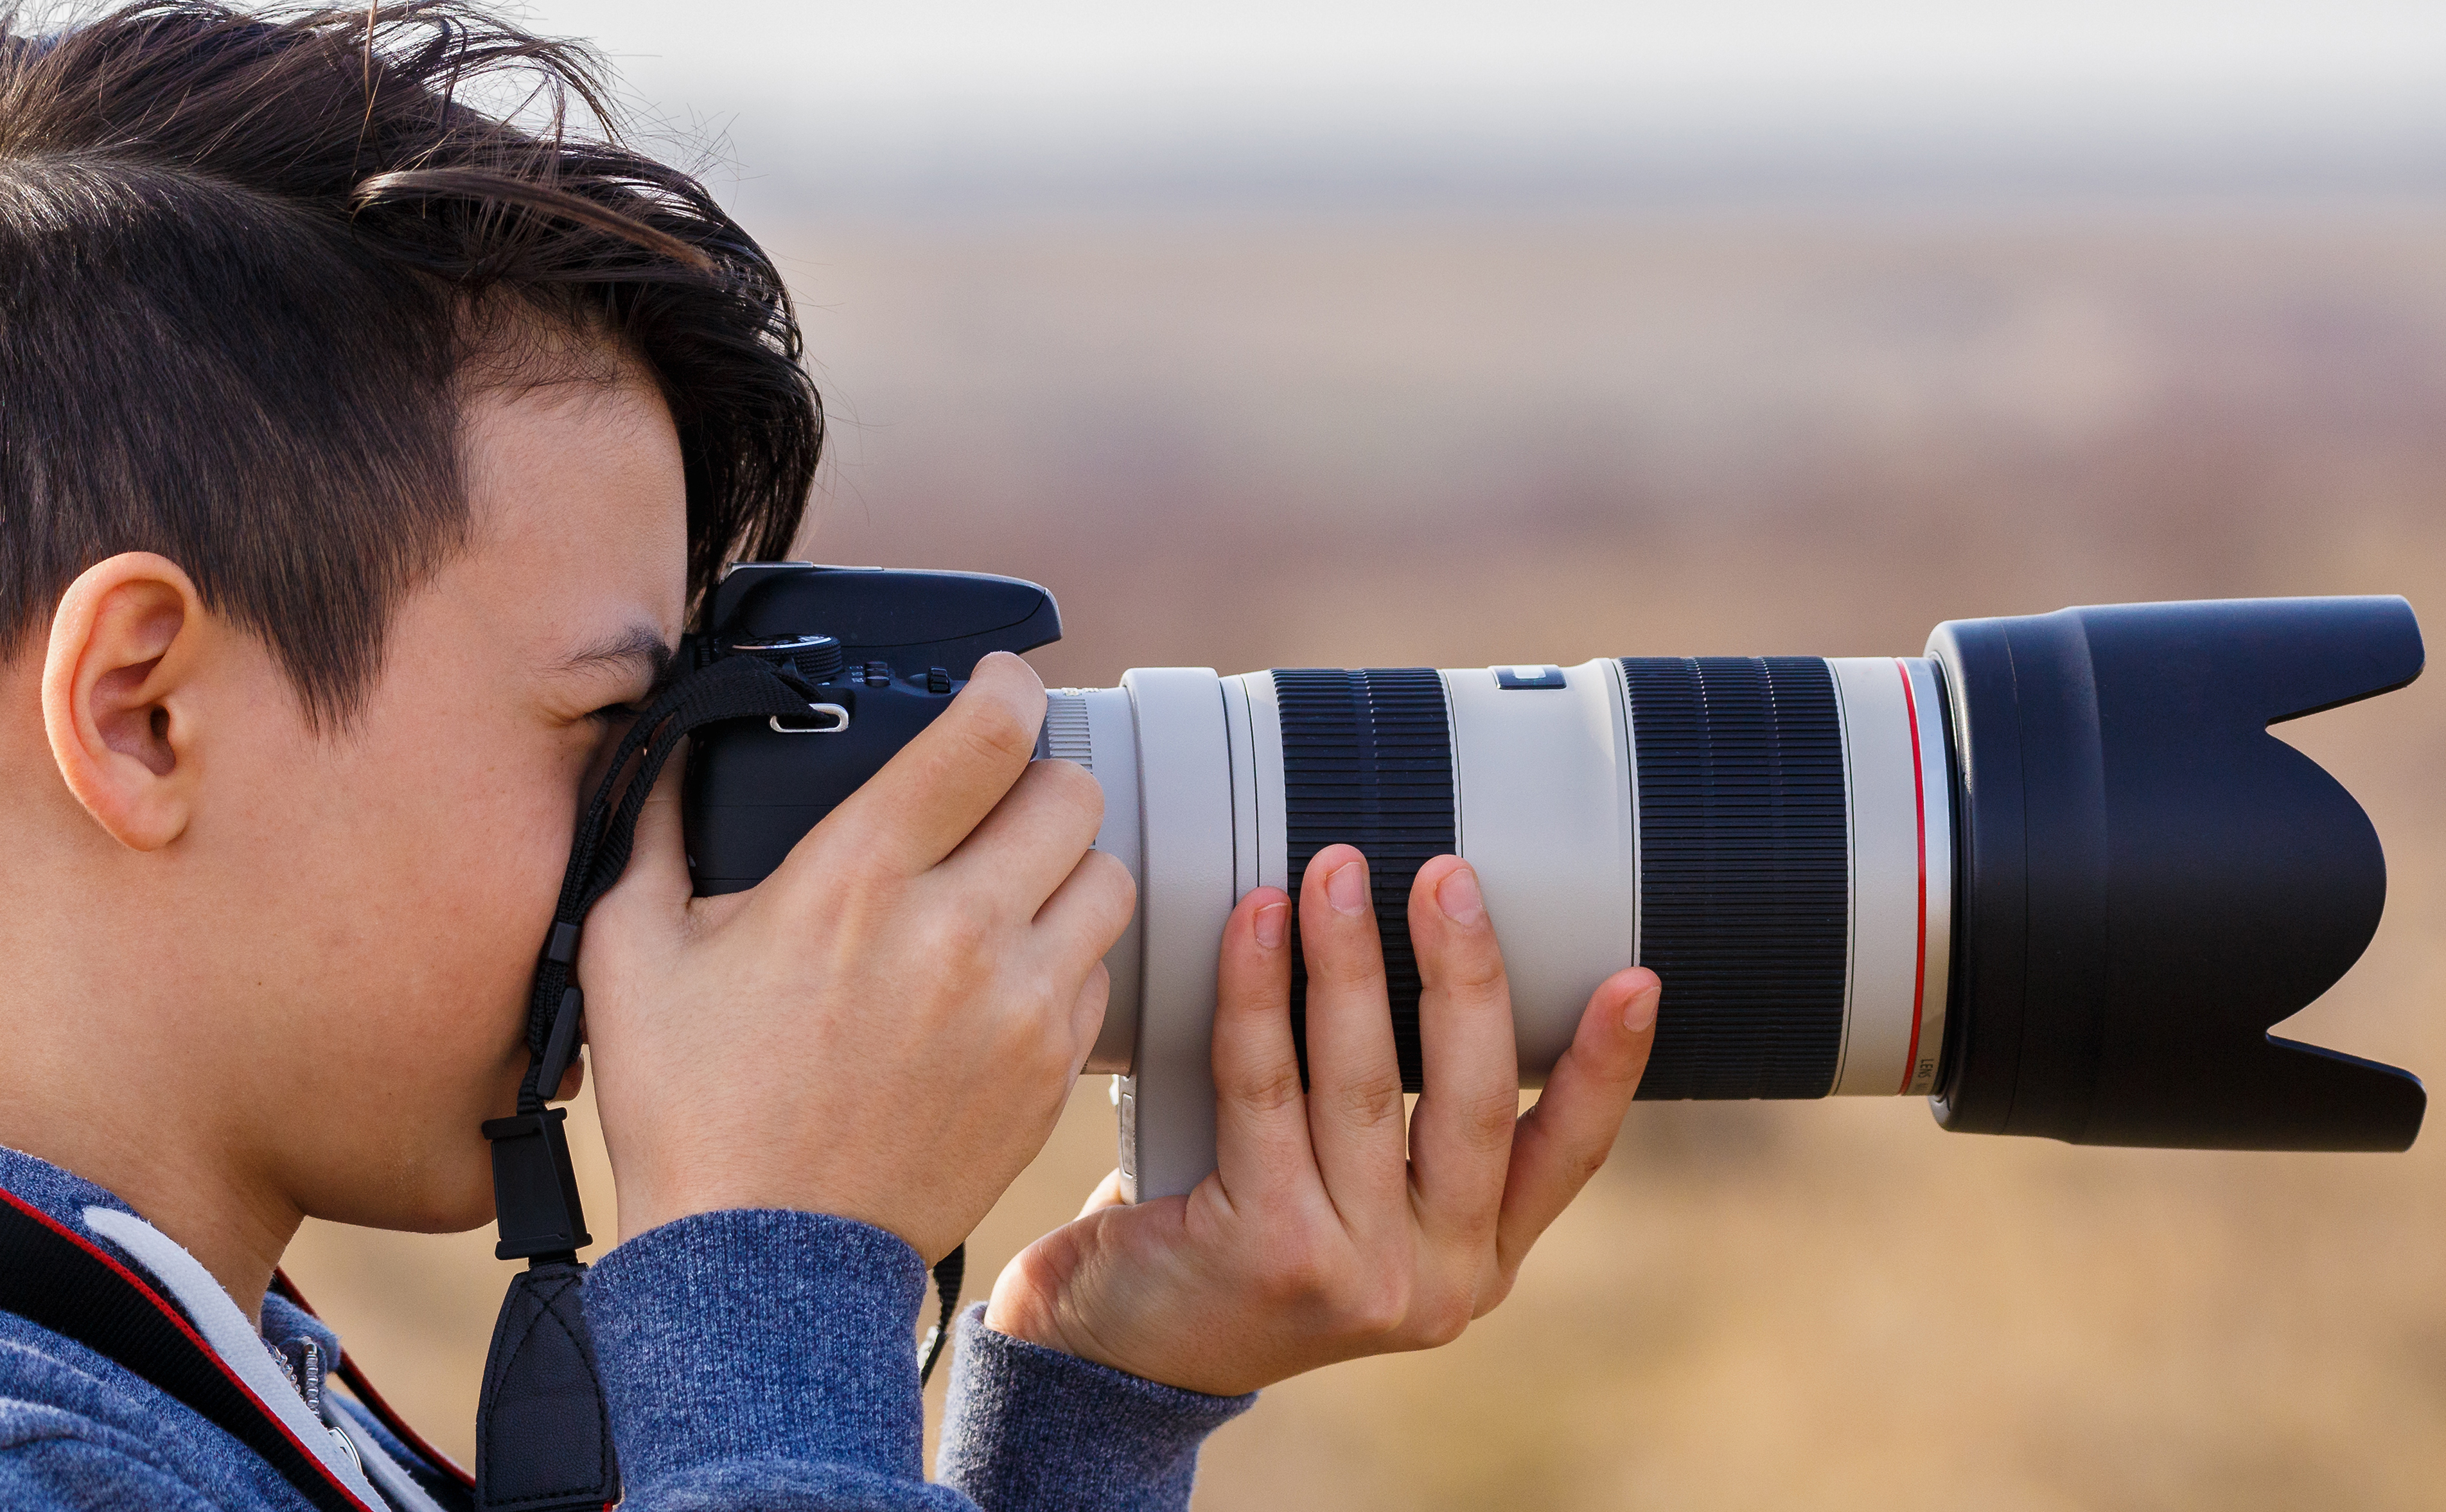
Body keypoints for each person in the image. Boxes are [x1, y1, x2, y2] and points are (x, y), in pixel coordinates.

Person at [0, 4, 1666, 1509]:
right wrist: (769, 1283)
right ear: (146, 710)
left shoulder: (181, 1372)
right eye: (604, 725)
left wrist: (1096, 1398)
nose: (671, 829)